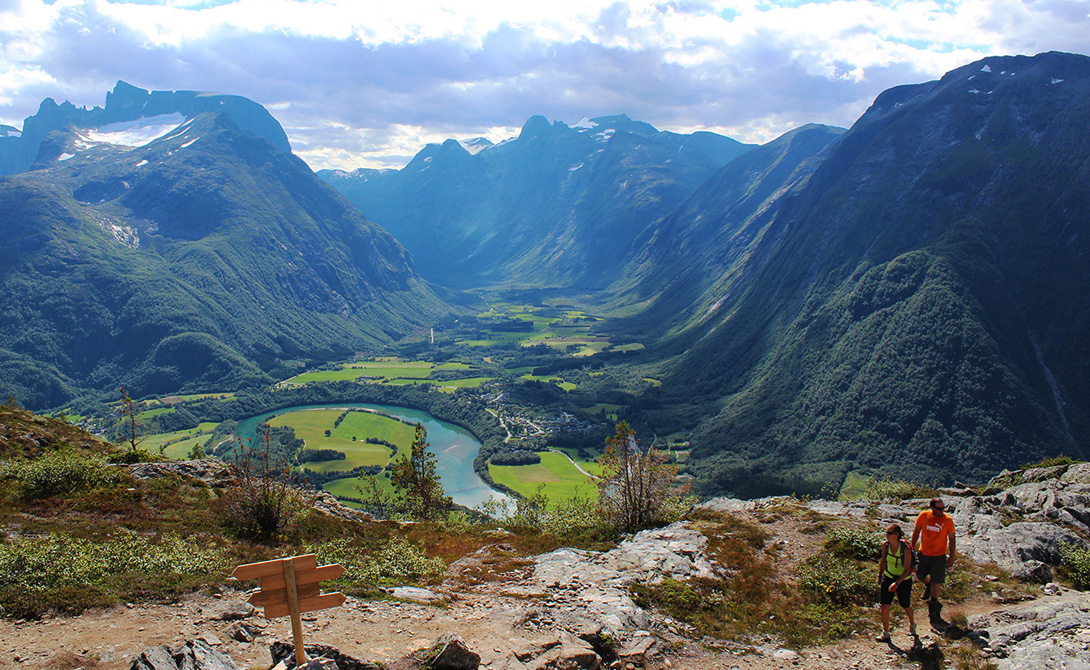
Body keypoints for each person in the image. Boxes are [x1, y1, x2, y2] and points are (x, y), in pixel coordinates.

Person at [911, 497, 956, 623]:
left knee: (937, 580)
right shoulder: (923, 516)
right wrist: (911, 548)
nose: (942, 510)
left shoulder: (947, 520)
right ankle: (928, 583)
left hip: (939, 556)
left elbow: (952, 538)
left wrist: (951, 556)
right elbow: (916, 532)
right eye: (939, 508)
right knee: (920, 575)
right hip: (924, 553)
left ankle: (934, 605)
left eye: (943, 508)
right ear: (932, 508)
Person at [875, 523, 916, 642]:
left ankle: (912, 623)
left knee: (905, 604)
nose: (887, 535)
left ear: (897, 535)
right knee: (885, 605)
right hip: (888, 576)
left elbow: (907, 570)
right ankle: (886, 632)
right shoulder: (885, 546)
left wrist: (897, 583)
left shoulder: (905, 550)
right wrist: (880, 576)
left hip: (903, 580)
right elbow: (883, 561)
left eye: (890, 533)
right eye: (887, 533)